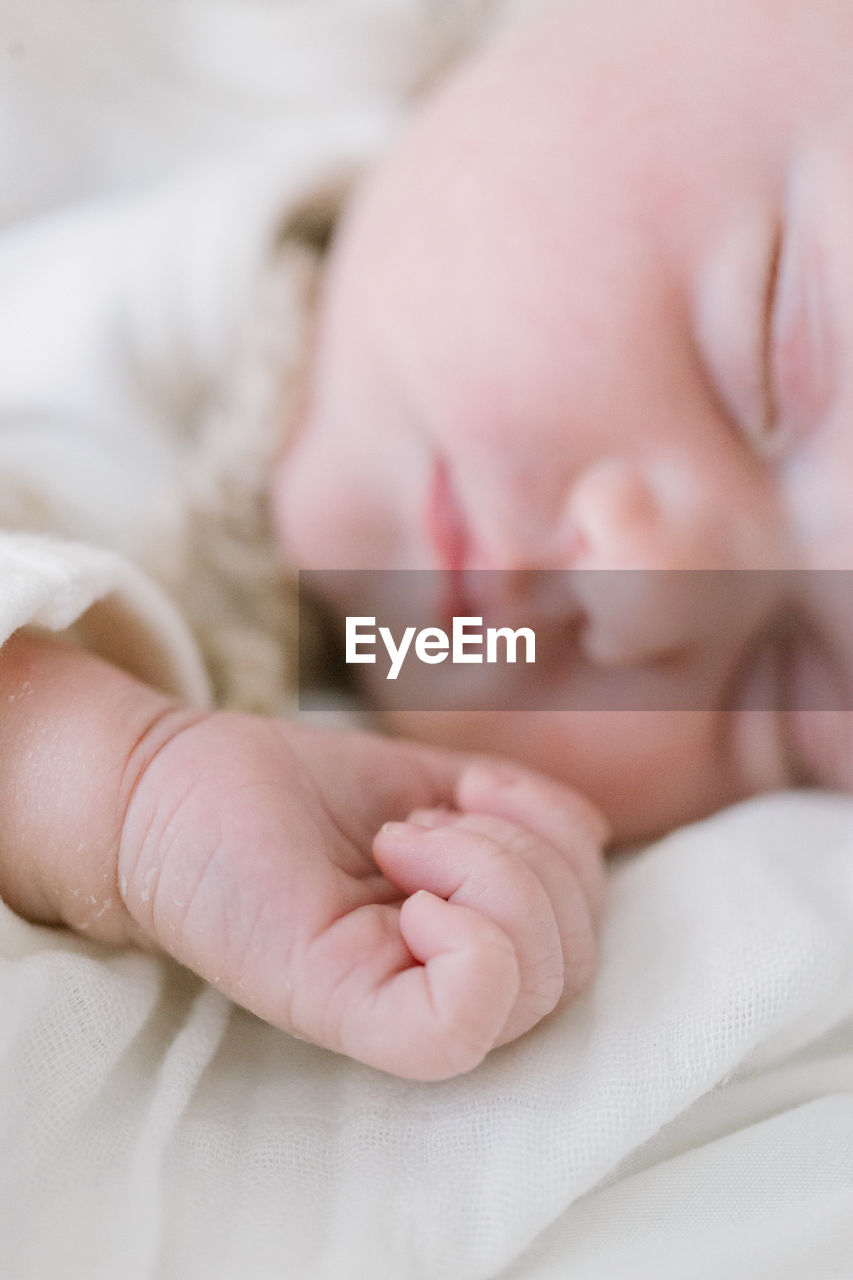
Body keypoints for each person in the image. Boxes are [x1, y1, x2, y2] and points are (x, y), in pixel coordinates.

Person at [1, 0, 851, 1081]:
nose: (638, 595)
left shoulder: (409, 835)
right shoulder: (159, 71)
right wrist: (108, 784)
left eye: (783, 696)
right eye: (763, 352)